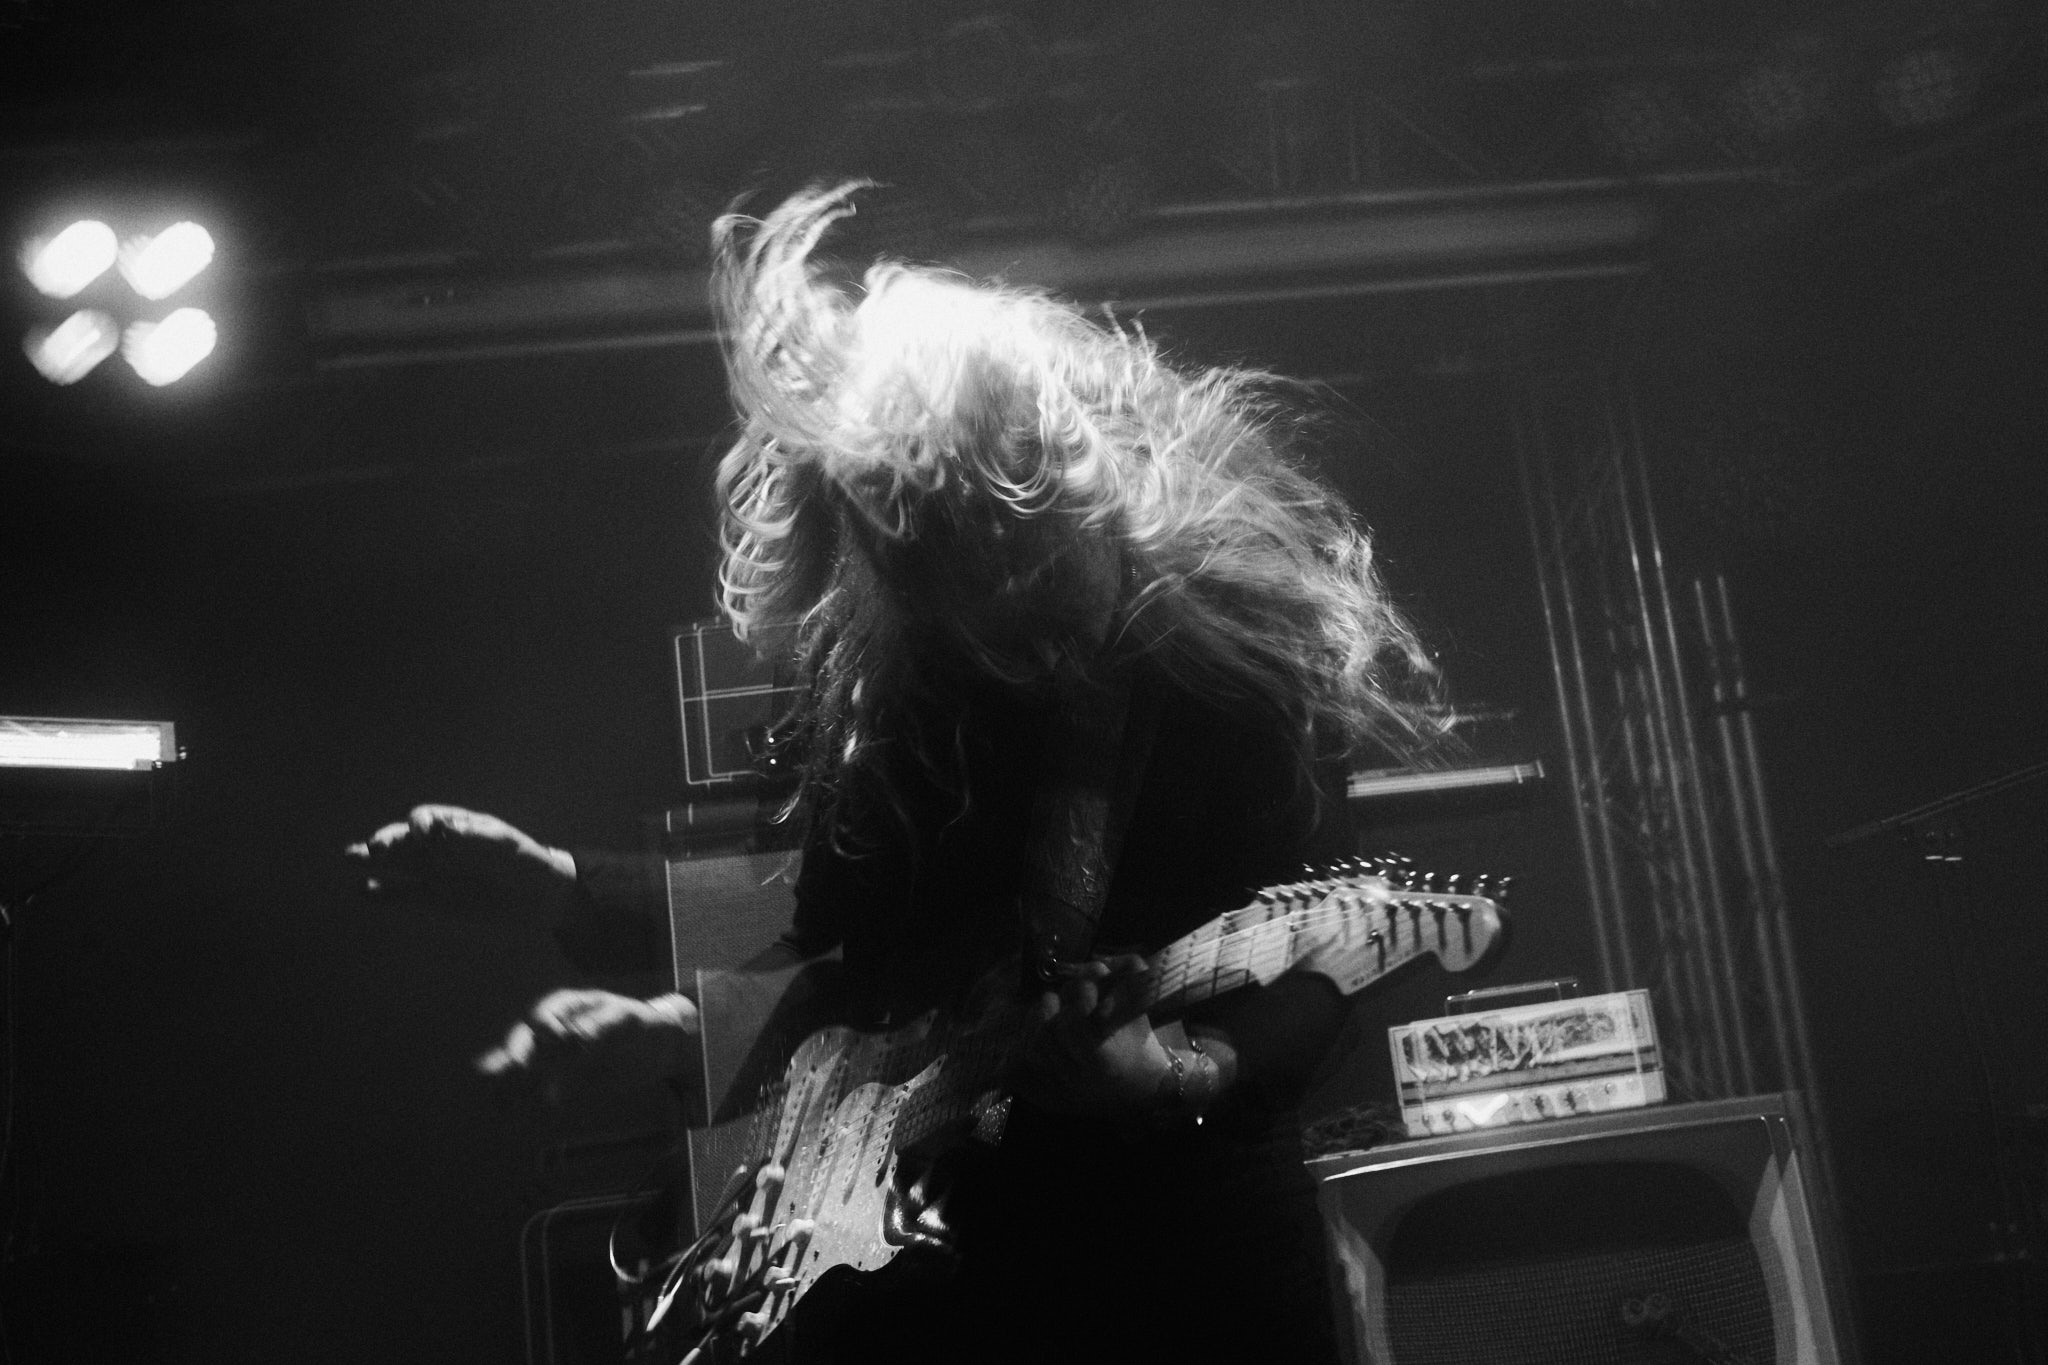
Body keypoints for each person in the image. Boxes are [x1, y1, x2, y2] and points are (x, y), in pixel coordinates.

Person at [353, 182, 1438, 1364]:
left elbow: (1326, 939)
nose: (970, 616)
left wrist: (1175, 1074)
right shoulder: (898, 681)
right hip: (936, 1270)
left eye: (987, 559)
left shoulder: (1235, 657)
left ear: (1052, 479)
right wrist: (652, 999)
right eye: (914, 569)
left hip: (1183, 1267)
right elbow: (840, 955)